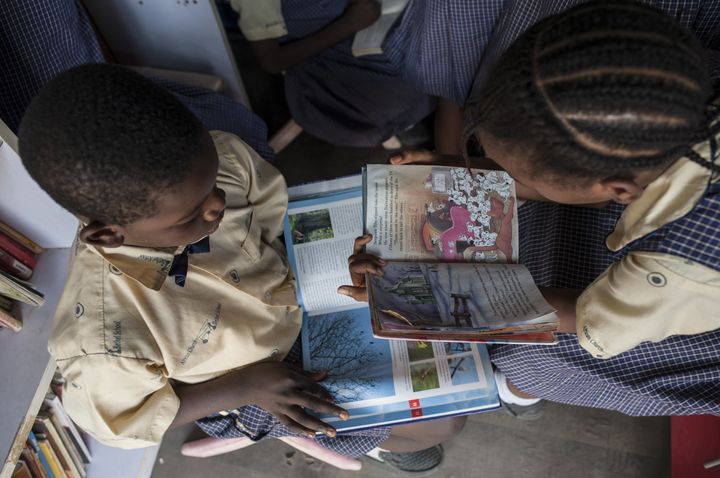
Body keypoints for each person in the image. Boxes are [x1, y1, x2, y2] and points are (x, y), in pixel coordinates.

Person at [6, 1, 463, 470]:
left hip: (291, 309)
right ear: (108, 235)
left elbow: (272, 224)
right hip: (239, 386)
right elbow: (123, 423)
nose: (216, 206)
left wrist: (334, 262)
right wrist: (245, 389)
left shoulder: (220, 158)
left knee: (440, 363)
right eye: (191, 215)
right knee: (425, 427)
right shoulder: (104, 341)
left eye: (212, 186)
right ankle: (248, 430)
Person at [342, 1, 720, 417]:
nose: (498, 183)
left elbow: (587, 313)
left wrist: (431, 303)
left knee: (531, 358)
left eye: (523, 179)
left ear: (620, 189)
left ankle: (522, 391)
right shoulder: (687, 82)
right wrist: (458, 169)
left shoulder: (681, 260)